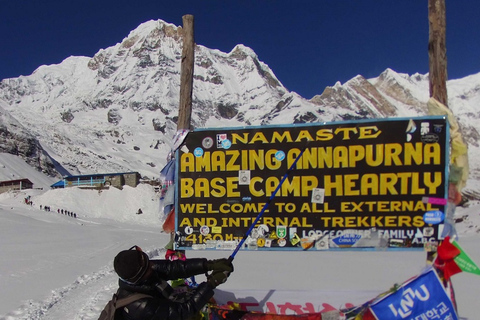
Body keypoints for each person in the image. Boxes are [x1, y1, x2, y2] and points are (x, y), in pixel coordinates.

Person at [113, 245, 233, 320]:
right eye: (148, 267)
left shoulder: (140, 275)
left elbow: (172, 268)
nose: (153, 266)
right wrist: (211, 283)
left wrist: (208, 265)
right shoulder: (142, 306)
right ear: (139, 277)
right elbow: (184, 311)